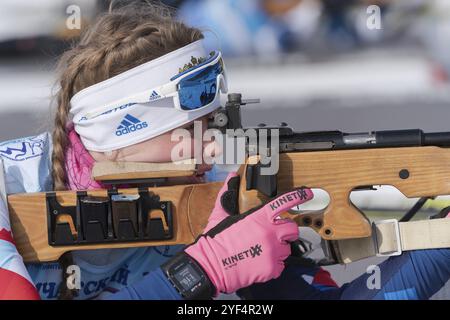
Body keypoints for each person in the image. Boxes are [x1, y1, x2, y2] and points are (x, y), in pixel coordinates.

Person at [0, 2, 449, 300]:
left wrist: (441, 242)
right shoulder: (8, 186)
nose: (211, 149)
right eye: (185, 131)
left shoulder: (212, 192)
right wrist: (200, 271)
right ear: (119, 132)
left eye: (213, 125)